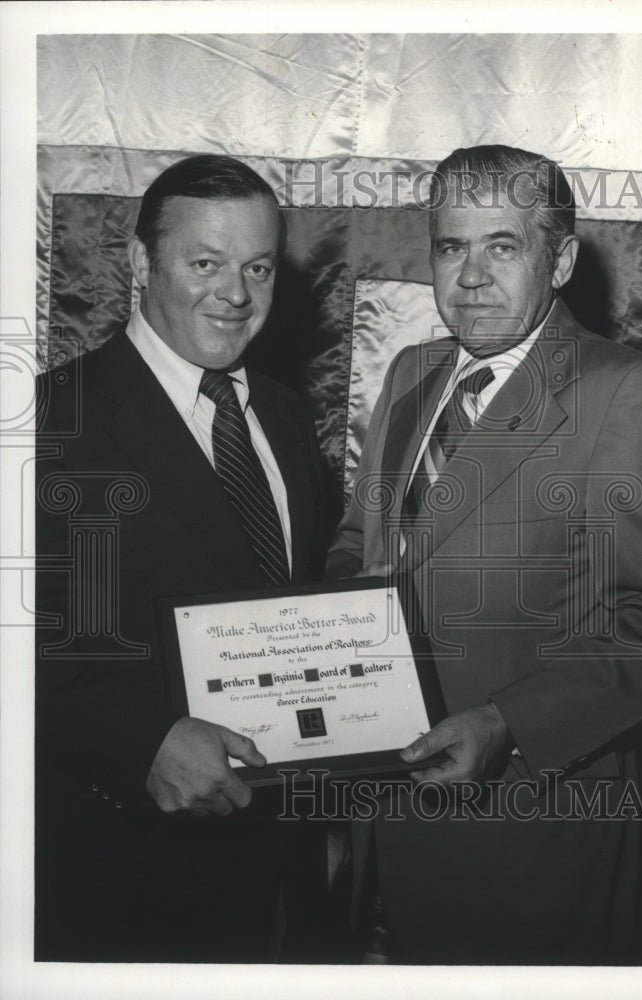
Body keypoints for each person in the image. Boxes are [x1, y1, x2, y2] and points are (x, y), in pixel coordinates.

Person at [326, 144, 642, 964]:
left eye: (502, 246)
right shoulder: (412, 370)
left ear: (561, 261)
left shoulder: (626, 390)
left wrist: (508, 727)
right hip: (386, 814)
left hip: (532, 834)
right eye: (452, 246)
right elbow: (355, 546)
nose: (471, 275)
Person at [35, 154, 333, 962]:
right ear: (140, 263)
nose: (235, 294)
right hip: (119, 875)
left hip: (280, 862)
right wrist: (143, 741)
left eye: (258, 267)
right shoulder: (48, 419)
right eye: (205, 263)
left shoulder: (285, 413)